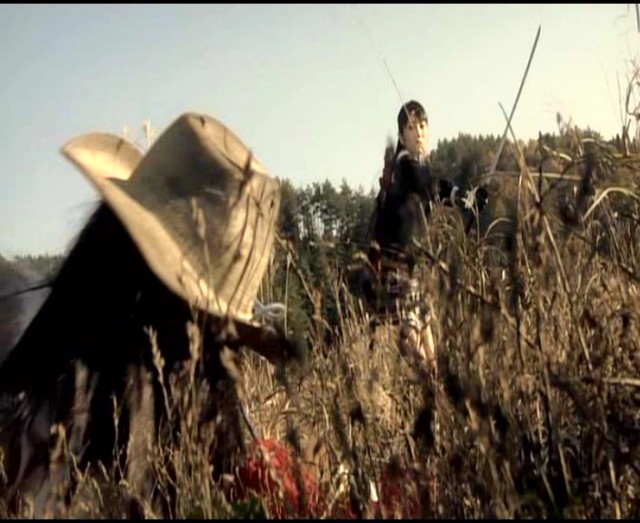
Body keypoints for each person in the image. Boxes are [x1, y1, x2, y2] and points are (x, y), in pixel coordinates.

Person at [365, 99, 488, 368]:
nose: (418, 133)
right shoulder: (403, 166)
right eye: (411, 128)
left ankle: (434, 384)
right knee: (412, 343)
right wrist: (460, 197)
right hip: (392, 268)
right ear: (401, 136)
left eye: (422, 126)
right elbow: (427, 184)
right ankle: (428, 383)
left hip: (411, 269)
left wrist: (467, 199)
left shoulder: (419, 168)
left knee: (428, 342)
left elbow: (437, 188)